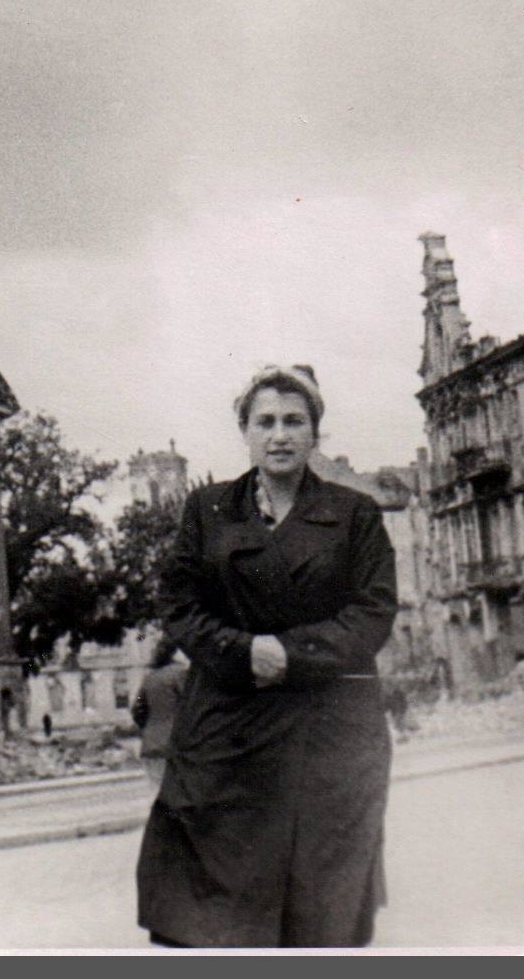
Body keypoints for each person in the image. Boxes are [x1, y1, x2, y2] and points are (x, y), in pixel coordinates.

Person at [136, 365, 398, 948]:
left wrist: (291, 653)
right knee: (220, 910)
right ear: (245, 432)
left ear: (314, 432)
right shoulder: (207, 510)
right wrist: (242, 651)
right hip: (228, 729)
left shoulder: (355, 514)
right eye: (266, 422)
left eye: (294, 421)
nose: (280, 435)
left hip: (326, 733)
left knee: (318, 909)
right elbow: (178, 605)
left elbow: (373, 613)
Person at [131, 638, 188, 795]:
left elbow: (136, 710)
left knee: (158, 794)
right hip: (177, 746)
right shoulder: (181, 673)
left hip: (151, 747)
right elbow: (193, 705)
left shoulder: (149, 678)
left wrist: (150, 728)